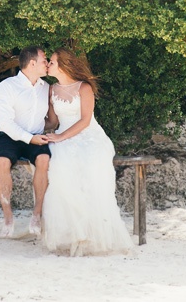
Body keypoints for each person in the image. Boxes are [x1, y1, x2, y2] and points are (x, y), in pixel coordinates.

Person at [40, 48, 133, 256]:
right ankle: (74, 231)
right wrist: (30, 128)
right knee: (59, 165)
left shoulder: (84, 87)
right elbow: (53, 122)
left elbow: (85, 120)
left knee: (91, 164)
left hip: (89, 135)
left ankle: (91, 230)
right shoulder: (52, 89)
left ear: (63, 65)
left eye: (52, 62)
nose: (48, 65)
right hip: (63, 136)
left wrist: (61, 137)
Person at [0, 45, 52, 238]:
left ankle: (36, 214)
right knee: (2, 161)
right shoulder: (7, 86)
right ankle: (8, 217)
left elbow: (51, 120)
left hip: (36, 136)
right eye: (44, 60)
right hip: (9, 137)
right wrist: (29, 138)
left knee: (44, 160)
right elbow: (5, 123)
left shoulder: (46, 88)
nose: (47, 63)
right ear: (32, 63)